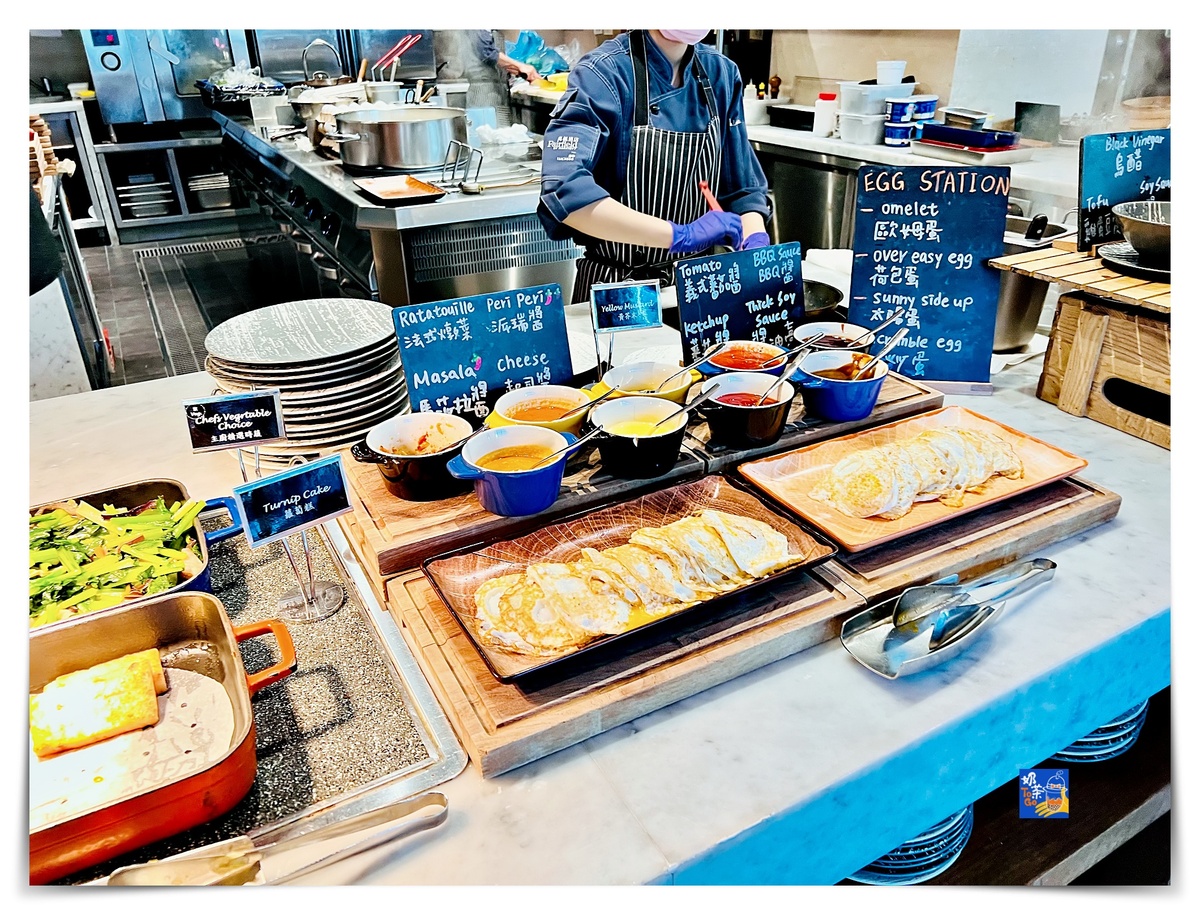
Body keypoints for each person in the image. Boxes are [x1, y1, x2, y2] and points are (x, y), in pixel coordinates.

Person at [537, 29, 771, 304]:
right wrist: (680, 236)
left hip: (697, 289)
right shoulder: (603, 72)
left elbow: (742, 188)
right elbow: (565, 191)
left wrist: (754, 238)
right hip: (618, 289)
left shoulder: (721, 73)